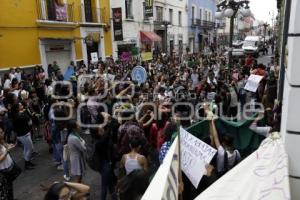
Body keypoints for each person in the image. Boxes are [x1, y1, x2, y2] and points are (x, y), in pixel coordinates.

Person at [11, 103, 36, 170]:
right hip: (23, 134)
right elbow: (27, 118)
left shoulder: (18, 114)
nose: (22, 106)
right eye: (20, 106)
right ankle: (27, 163)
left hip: (25, 133)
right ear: (17, 108)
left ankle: (28, 162)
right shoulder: (17, 116)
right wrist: (24, 112)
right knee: (30, 148)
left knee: (26, 148)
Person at [0, 128, 16, 200]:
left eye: (2, 131)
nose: (3, 133)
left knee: (9, 186)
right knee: (5, 189)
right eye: (0, 132)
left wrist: (9, 146)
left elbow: (5, 147)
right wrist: (7, 151)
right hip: (2, 171)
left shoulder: (1, 141)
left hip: (8, 168)